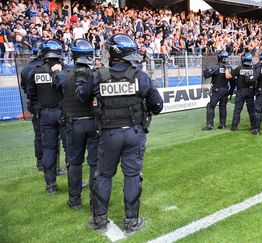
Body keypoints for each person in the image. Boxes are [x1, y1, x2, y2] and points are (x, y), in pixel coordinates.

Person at [77, 34, 163, 233]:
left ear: (113, 53)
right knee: (132, 176)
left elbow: (82, 98)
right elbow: (157, 106)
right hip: (134, 133)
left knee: (104, 176)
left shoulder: (98, 75)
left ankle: (100, 219)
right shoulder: (140, 76)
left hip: (109, 135)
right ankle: (131, 221)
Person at [52, 38, 98, 210]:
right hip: (93, 125)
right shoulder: (97, 74)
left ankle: (75, 200)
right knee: (94, 164)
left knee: (75, 163)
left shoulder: (63, 75)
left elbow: (56, 87)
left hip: (73, 126)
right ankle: (95, 200)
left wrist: (56, 72)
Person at [27, 39, 67, 194]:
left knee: (49, 148)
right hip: (63, 113)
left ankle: (50, 185)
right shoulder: (66, 70)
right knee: (69, 148)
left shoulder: (35, 71)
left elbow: (31, 94)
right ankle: (74, 185)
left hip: (45, 114)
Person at [20, 52, 44, 171]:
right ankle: (52, 166)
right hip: (48, 104)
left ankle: (40, 162)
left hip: (35, 105)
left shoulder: (25, 69)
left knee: (39, 135)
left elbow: (25, 88)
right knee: (52, 136)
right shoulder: (45, 68)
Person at [202, 50, 233, 130]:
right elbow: (233, 81)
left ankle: (210, 125)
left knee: (210, 106)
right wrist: (231, 91)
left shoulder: (216, 67)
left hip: (217, 90)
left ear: (219, 58)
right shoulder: (229, 67)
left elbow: (206, 74)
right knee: (223, 107)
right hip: (225, 90)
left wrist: (205, 68)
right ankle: (222, 124)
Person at [230, 52, 255, 131]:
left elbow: (229, 76)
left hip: (241, 91)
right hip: (250, 91)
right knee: (251, 110)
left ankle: (234, 126)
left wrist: (226, 69)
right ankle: (254, 126)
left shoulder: (239, 68)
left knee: (237, 109)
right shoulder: (253, 69)